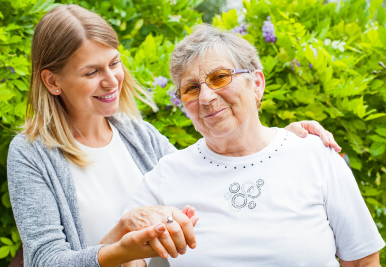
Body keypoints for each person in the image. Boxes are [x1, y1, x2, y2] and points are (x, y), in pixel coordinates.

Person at [6, 5, 340, 267]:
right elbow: (44, 261)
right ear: (52, 82)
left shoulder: (137, 135)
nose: (111, 81)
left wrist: (278, 140)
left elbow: (207, 171)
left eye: (114, 63)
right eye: (92, 72)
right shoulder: (31, 154)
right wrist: (121, 238)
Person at [125, 25, 385, 266]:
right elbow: (122, 254)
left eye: (219, 77)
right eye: (191, 89)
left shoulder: (315, 155)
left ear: (257, 84)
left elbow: (363, 261)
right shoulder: (167, 174)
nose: (205, 97)